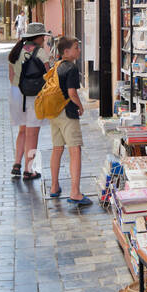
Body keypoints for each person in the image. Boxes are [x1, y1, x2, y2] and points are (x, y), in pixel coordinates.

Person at [49, 35, 92, 207]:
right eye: (76, 47)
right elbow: (72, 92)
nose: (79, 50)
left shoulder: (56, 65)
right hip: (67, 113)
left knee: (57, 149)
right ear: (66, 51)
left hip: (54, 113)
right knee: (75, 151)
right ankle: (75, 192)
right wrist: (80, 106)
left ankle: (54, 186)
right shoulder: (72, 68)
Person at [8, 23, 50, 180]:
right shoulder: (41, 53)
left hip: (16, 94)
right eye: (43, 36)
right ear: (38, 37)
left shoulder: (16, 51)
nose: (44, 39)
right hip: (34, 96)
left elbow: (11, 76)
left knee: (23, 131)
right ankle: (29, 169)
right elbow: (49, 75)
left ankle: (17, 163)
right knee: (33, 133)